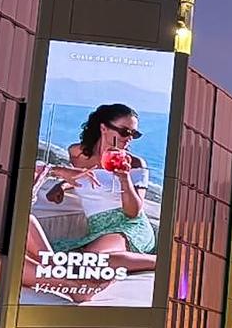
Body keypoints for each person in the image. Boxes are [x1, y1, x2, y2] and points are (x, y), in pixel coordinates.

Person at [24, 105, 158, 302]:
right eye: (124, 131)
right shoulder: (77, 154)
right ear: (104, 128)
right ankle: (77, 284)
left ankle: (158, 262)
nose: (129, 138)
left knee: (91, 262)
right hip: (97, 227)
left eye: (134, 134)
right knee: (80, 263)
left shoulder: (135, 163)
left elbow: (133, 212)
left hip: (129, 226)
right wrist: (62, 186)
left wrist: (124, 178)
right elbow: (90, 179)